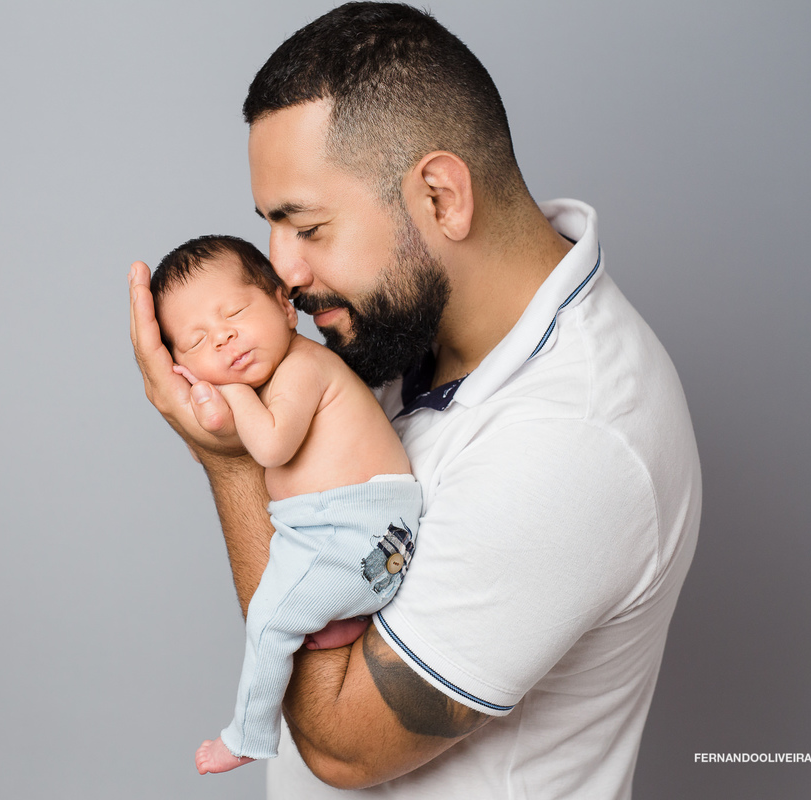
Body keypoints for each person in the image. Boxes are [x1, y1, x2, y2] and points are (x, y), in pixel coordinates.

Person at [128, 3, 701, 797]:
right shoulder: (396, 335)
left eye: (309, 227)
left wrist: (228, 464)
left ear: (439, 196)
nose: (281, 271)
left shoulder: (574, 436)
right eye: (271, 228)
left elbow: (343, 749)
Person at [149, 234, 422, 775]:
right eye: (198, 340)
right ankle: (341, 617)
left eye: (234, 312)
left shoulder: (303, 367)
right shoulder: (279, 373)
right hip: (347, 539)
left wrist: (230, 393)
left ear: (282, 302)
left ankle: (248, 733)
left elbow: (271, 445)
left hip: (362, 535)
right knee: (288, 592)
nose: (224, 338)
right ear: (179, 363)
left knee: (269, 622)